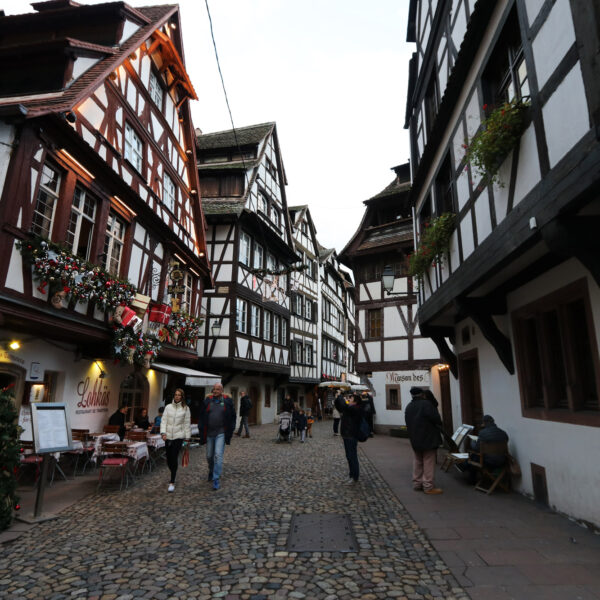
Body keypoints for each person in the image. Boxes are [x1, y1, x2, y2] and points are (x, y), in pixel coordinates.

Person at [404, 387, 443, 495]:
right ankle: (428, 486)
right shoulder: (427, 405)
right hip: (428, 437)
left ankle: (417, 483)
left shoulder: (409, 406)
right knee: (428, 461)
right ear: (422, 395)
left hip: (415, 438)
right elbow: (437, 419)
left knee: (417, 460)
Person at [199, 383, 236, 491]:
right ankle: (211, 470)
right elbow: (201, 416)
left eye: (218, 389)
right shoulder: (207, 401)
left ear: (222, 390)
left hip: (221, 432)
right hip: (210, 433)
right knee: (209, 456)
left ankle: (216, 478)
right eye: (214, 389)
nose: (216, 391)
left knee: (218, 455)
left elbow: (232, 416)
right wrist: (201, 428)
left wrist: (231, 429)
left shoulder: (227, 402)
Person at [160, 389, 191, 493]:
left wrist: (187, 438)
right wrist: (163, 433)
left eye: (179, 395)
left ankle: (172, 481)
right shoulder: (168, 407)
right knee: (169, 459)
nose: (177, 397)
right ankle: (173, 471)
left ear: (182, 397)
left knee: (174, 457)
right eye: (176, 395)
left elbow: (187, 424)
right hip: (168, 436)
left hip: (178, 436)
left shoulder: (186, 408)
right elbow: (163, 421)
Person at [334, 392, 365, 485]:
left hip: (351, 435)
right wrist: (337, 399)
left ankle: (354, 477)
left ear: (355, 402)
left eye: (350, 399)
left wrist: (339, 395)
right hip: (347, 435)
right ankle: (352, 475)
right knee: (349, 456)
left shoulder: (355, 409)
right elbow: (340, 407)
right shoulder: (351, 408)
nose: (349, 400)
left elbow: (344, 406)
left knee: (352, 456)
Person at [466, 415, 509, 481]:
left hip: (488, 461)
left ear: (484, 423)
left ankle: (472, 479)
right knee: (475, 456)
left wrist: (472, 442)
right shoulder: (503, 433)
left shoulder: (482, 433)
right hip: (502, 461)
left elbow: (476, 448)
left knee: (473, 456)